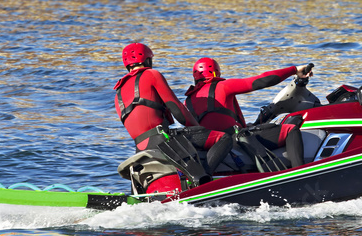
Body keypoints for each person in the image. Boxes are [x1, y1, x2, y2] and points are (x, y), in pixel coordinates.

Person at [114, 43, 231, 176]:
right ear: (147, 60)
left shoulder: (118, 93)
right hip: (161, 141)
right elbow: (178, 109)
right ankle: (206, 177)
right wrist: (198, 129)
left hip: (139, 148)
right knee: (224, 138)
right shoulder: (151, 74)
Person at [184, 58, 313, 168]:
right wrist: (294, 70)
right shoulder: (223, 86)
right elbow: (262, 80)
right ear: (216, 72)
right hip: (235, 141)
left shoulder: (187, 101)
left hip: (214, 146)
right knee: (290, 129)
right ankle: (300, 173)